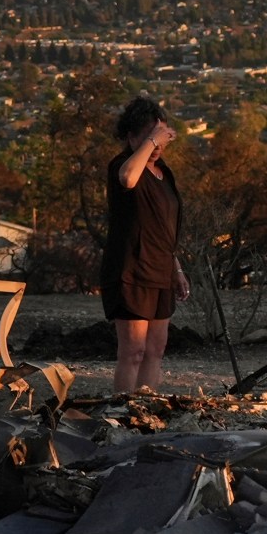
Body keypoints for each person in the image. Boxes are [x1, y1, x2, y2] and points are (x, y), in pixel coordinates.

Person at [102, 95, 190, 393]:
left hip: (161, 268)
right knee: (133, 351)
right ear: (131, 136)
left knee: (155, 350)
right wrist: (150, 142)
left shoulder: (164, 174)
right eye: (151, 138)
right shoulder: (123, 167)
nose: (158, 146)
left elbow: (164, 226)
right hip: (132, 270)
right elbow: (128, 178)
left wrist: (176, 268)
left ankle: (145, 411)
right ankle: (121, 415)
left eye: (162, 138)